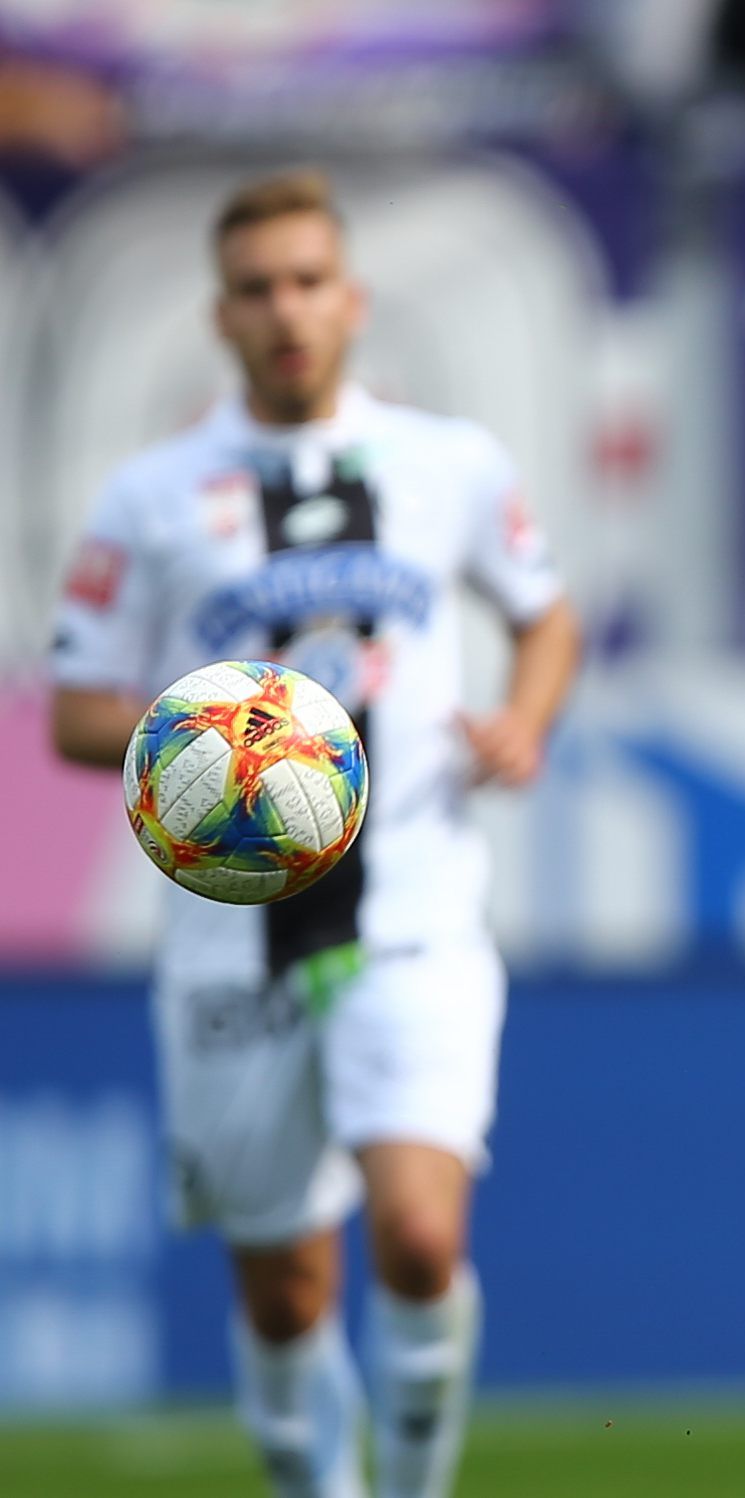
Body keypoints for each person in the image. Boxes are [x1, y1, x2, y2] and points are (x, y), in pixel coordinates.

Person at [49, 169, 582, 1498]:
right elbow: (68, 708)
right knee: (286, 1285)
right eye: (255, 289)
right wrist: (196, 747)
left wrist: (522, 718)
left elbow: (546, 611)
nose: (285, 309)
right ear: (220, 316)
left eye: (305, 281)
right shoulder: (151, 495)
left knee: (414, 1233)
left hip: (414, 909)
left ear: (350, 300)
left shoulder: (447, 463)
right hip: (232, 937)